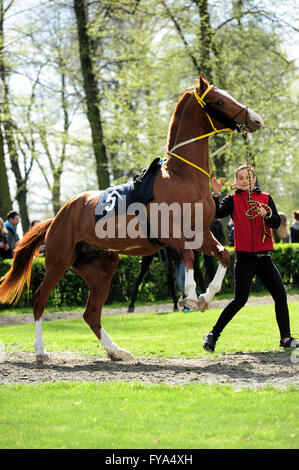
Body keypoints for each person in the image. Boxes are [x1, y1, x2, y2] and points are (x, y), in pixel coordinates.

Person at [203, 163, 299, 352]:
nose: (244, 181)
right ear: (236, 181)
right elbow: (217, 213)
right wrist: (215, 194)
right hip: (245, 259)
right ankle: (213, 334)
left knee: (280, 295)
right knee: (240, 300)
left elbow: (275, 223)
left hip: (265, 259)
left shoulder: (265, 198)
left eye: (247, 177)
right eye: (240, 178)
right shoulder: (231, 200)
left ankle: (285, 338)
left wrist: (266, 214)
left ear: (253, 179)